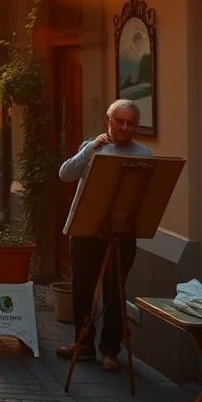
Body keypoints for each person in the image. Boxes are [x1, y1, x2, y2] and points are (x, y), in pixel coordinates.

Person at [55, 98, 152, 374]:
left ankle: (110, 350)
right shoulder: (91, 147)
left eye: (130, 123)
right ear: (108, 121)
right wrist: (89, 150)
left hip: (122, 233)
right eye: (120, 121)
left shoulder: (143, 153)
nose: (125, 127)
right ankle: (83, 345)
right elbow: (65, 174)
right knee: (82, 288)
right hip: (86, 230)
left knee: (114, 291)